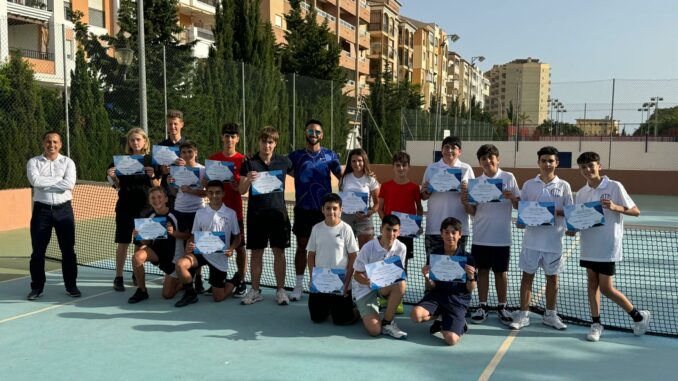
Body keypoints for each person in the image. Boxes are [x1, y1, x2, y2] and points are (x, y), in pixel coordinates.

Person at [574, 152, 650, 341]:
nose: (587, 170)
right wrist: (572, 228)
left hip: (608, 246)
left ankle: (638, 316)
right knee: (591, 284)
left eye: (591, 165)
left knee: (606, 288)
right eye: (583, 167)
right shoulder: (582, 193)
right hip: (588, 245)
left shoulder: (615, 186)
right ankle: (596, 323)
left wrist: (616, 207)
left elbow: (636, 211)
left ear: (599, 166)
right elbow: (579, 218)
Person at [510, 146, 573, 331]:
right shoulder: (529, 185)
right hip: (531, 241)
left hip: (554, 242)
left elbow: (570, 211)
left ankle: (550, 315)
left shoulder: (564, 186)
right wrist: (522, 219)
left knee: (552, 279)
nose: (547, 164)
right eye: (544, 160)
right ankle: (523, 315)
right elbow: (523, 208)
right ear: (538, 162)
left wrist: (551, 212)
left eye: (551, 161)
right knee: (526, 277)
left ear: (557, 163)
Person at [461, 144, 519, 325]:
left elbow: (518, 206)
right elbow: (473, 211)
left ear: (498, 159)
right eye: (483, 158)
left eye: (490, 157)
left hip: (501, 237)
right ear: (480, 162)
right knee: (482, 272)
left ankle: (502, 306)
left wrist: (512, 198)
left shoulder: (508, 177)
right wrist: (464, 202)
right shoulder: (476, 183)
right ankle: (482, 306)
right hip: (481, 236)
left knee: (501, 272)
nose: (487, 161)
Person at [239, 127, 294, 306]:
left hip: (278, 215)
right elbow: (241, 190)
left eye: (270, 142)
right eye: (264, 141)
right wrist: (248, 179)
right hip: (256, 216)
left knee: (279, 252)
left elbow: (301, 174)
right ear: (259, 142)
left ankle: (280, 290)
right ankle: (255, 290)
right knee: (256, 254)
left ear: (275, 144)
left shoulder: (284, 162)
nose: (267, 145)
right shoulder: (249, 163)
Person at [288, 119, 342, 301]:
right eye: (310, 131)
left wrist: (366, 175)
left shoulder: (330, 156)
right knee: (302, 247)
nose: (313, 134)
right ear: (305, 133)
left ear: (322, 135)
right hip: (303, 209)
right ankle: (298, 286)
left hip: (324, 211)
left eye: (317, 132)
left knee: (322, 249)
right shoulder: (295, 156)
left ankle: (320, 284)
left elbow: (344, 177)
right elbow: (274, 168)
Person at [26, 131, 80, 300]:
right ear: (43, 143)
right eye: (48, 142)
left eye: (55, 142)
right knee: (38, 252)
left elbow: (69, 184)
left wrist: (46, 184)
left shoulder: (68, 162)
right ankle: (37, 288)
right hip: (41, 211)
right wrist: (58, 183)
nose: (52, 145)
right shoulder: (33, 162)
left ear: (60, 144)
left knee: (68, 251)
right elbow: (35, 182)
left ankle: (71, 286)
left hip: (64, 210)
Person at [410, 217, 477, 346]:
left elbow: (470, 289)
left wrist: (471, 277)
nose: (450, 236)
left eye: (453, 232)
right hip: (437, 295)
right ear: (441, 234)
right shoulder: (435, 255)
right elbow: (431, 286)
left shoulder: (467, 258)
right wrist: (427, 277)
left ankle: (459, 323)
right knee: (415, 316)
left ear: (460, 235)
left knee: (451, 340)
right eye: (446, 232)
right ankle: (442, 317)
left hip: (457, 300)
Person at [107, 128, 159, 292]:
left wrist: (152, 176)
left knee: (139, 243)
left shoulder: (152, 161)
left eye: (138, 139)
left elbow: (157, 187)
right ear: (128, 143)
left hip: (145, 208)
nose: (135, 143)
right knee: (123, 243)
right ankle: (119, 277)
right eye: (132, 140)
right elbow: (116, 185)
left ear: (145, 141)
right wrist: (113, 176)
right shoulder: (119, 161)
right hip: (124, 207)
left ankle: (136, 274)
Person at [174, 180, 241, 307]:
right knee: (180, 265)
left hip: (219, 258)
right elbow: (194, 235)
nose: (214, 196)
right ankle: (190, 294)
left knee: (218, 298)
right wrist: (190, 244)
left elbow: (237, 237)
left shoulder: (231, 213)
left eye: (217, 193)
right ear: (207, 194)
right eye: (210, 193)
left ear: (223, 194)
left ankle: (234, 280)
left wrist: (231, 248)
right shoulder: (200, 213)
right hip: (201, 253)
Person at [206, 123, 248, 297]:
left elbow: (244, 188)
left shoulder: (244, 160)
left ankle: (242, 280)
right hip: (214, 212)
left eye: (233, 136)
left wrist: (237, 186)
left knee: (239, 247)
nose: (229, 139)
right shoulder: (213, 159)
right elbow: (208, 186)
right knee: (213, 246)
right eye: (226, 136)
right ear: (222, 137)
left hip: (235, 212)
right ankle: (216, 281)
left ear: (237, 139)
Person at [306, 193, 359, 324]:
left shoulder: (346, 229)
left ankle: (356, 309)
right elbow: (311, 255)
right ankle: (329, 307)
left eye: (335, 208)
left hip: (340, 283)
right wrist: (313, 278)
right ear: (322, 210)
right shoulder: (316, 228)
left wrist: (346, 283)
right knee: (316, 318)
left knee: (342, 321)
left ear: (340, 210)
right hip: (321, 282)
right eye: (328, 208)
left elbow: (353, 256)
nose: (331, 211)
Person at [353, 215, 408, 339]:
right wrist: (369, 281)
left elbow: (397, 274)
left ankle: (387, 323)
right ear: (381, 229)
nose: (391, 233)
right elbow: (356, 275)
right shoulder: (368, 247)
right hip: (365, 289)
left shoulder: (401, 248)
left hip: (384, 287)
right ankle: (359, 308)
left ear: (399, 232)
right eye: (388, 229)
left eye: (394, 230)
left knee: (401, 283)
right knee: (375, 330)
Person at [127, 186, 186, 303]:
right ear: (149, 201)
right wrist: (140, 236)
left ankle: (182, 283)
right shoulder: (149, 216)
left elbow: (188, 236)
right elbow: (146, 242)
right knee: (137, 257)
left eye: (159, 197)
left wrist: (173, 233)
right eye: (153, 198)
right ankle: (142, 290)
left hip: (174, 257)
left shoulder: (176, 215)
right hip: (157, 253)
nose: (156, 200)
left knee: (167, 295)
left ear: (165, 199)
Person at [420, 136, 474, 256]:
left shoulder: (466, 169)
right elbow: (423, 196)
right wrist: (426, 191)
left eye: (453, 148)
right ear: (442, 149)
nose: (449, 150)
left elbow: (473, 198)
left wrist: (466, 191)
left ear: (459, 152)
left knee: (456, 270)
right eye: (446, 147)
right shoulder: (432, 168)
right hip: (434, 228)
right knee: (434, 269)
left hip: (459, 230)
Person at [377, 151, 424, 269]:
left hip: (407, 232)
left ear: (408, 167)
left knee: (403, 262)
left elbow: (419, 208)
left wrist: (418, 225)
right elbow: (380, 208)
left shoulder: (414, 187)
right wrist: (387, 224)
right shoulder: (386, 186)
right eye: (398, 165)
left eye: (404, 165)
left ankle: (401, 287)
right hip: (389, 232)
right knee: (386, 260)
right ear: (393, 167)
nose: (401, 168)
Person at [170, 141, 206, 292]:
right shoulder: (177, 170)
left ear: (196, 152)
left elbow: (206, 193)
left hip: (197, 211)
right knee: (181, 243)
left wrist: (190, 190)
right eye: (184, 152)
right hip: (179, 210)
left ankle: (198, 277)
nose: (187, 155)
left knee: (195, 245)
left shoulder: (203, 170)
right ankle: (182, 276)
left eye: (190, 151)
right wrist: (171, 184)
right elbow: (173, 193)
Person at [339, 148, 380, 248]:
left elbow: (377, 203)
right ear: (350, 162)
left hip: (364, 219)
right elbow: (341, 200)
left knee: (366, 253)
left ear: (364, 161)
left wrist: (369, 213)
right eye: (353, 161)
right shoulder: (345, 178)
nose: (356, 163)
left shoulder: (371, 179)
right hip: (346, 218)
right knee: (346, 253)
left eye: (359, 160)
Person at [157, 110, 188, 209]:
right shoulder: (161, 146)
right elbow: (156, 171)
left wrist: (185, 165)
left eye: (175, 123)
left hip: (184, 192)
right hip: (166, 193)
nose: (172, 126)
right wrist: (162, 170)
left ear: (181, 124)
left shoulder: (189, 145)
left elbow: (195, 167)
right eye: (170, 124)